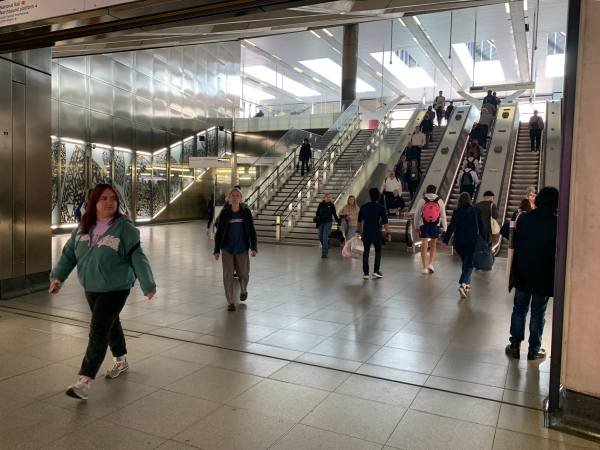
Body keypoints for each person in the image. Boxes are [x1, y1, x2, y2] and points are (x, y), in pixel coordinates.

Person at [49, 184, 156, 400]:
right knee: (110, 323)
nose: (109, 202)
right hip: (92, 286)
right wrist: (58, 277)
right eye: (103, 198)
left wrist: (148, 284)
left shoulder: (124, 228)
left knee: (98, 330)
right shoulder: (83, 227)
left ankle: (84, 381)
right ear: (93, 203)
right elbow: (69, 254)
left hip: (116, 287)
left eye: (113, 198)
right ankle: (121, 360)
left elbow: (138, 256)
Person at [505, 187, 559, 360]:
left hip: (522, 272)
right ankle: (533, 350)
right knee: (538, 312)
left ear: (538, 200)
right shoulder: (557, 223)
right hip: (543, 275)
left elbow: (509, 235)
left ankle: (514, 345)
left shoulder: (524, 219)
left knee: (519, 309)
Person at [213, 187, 258, 311]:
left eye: (237, 196)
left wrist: (254, 247)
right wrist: (217, 250)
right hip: (227, 248)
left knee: (243, 273)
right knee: (228, 275)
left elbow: (252, 231)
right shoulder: (225, 213)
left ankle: (243, 290)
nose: (235, 197)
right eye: (232, 195)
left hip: (242, 248)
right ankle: (230, 302)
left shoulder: (245, 212)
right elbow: (220, 232)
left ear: (241, 198)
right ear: (229, 198)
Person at [443, 192, 486, 298]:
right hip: (472, 242)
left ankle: (467, 285)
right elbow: (482, 227)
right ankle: (463, 284)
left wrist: (445, 240)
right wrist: (484, 240)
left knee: (465, 263)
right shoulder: (476, 211)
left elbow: (451, 227)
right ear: (469, 200)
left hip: (459, 243)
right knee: (470, 264)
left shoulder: (457, 212)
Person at [357, 188, 391, 279]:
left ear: (369, 196)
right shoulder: (381, 208)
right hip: (376, 232)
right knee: (378, 251)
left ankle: (366, 273)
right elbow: (385, 222)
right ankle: (376, 271)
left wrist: (358, 231)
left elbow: (359, 221)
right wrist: (388, 233)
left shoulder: (364, 207)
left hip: (366, 232)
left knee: (366, 252)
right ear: (378, 196)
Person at [414, 184, 447, 274]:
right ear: (435, 191)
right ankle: (431, 264)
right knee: (433, 244)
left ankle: (424, 267)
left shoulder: (422, 200)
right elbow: (443, 215)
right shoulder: (439, 201)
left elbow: (417, 214)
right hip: (435, 224)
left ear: (427, 191)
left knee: (424, 244)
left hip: (424, 224)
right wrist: (445, 228)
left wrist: (416, 226)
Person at [314, 193, 340, 258]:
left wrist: (338, 222)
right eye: (326, 197)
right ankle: (326, 246)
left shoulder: (331, 205)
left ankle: (324, 253)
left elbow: (334, 214)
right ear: (324, 198)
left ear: (330, 198)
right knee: (320, 237)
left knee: (325, 237)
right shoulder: (320, 204)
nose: (328, 198)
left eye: (329, 197)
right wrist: (316, 218)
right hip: (321, 222)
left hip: (328, 223)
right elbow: (317, 213)